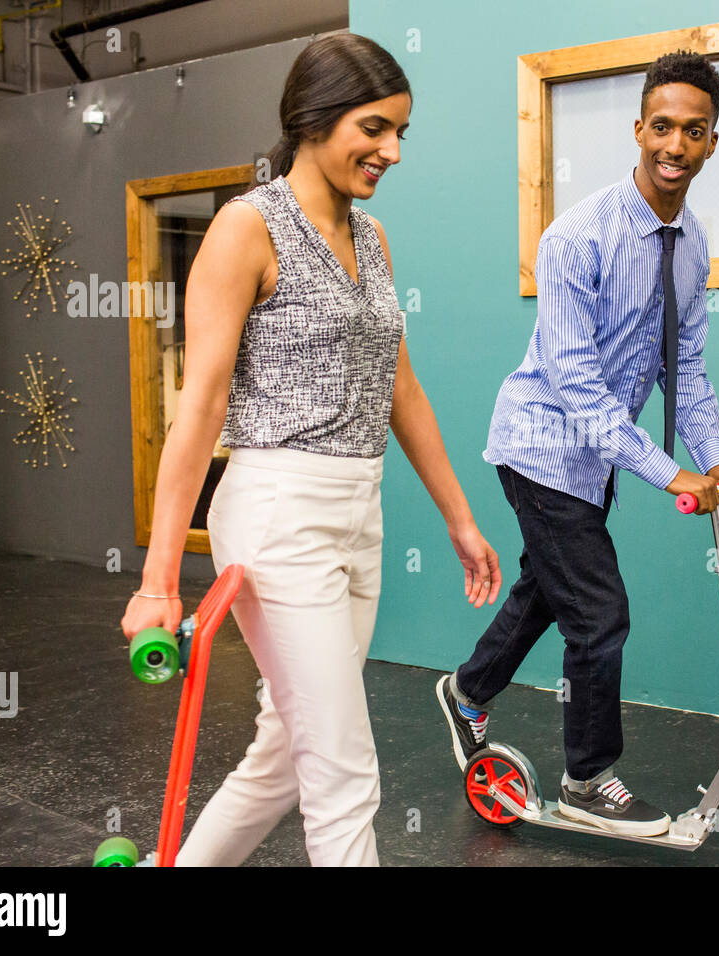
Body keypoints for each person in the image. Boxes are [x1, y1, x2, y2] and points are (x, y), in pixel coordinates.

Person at [121, 33, 502, 867]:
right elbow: (199, 413)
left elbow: (401, 390)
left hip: (356, 514)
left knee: (282, 755)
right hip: (276, 515)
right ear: (313, 120)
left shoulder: (373, 240)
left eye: (401, 132)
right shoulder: (244, 229)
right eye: (374, 128)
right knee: (341, 773)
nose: (392, 151)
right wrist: (157, 582)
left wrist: (460, 518)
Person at [437, 50, 719, 837]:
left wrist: (714, 456)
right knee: (600, 616)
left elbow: (689, 368)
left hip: (595, 458)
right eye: (661, 126)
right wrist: (666, 469)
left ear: (714, 142)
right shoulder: (577, 237)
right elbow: (576, 388)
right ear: (637, 129)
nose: (674, 145)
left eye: (694, 131)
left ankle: (467, 690)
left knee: (551, 589)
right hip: (542, 443)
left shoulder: (694, 245)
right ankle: (587, 776)